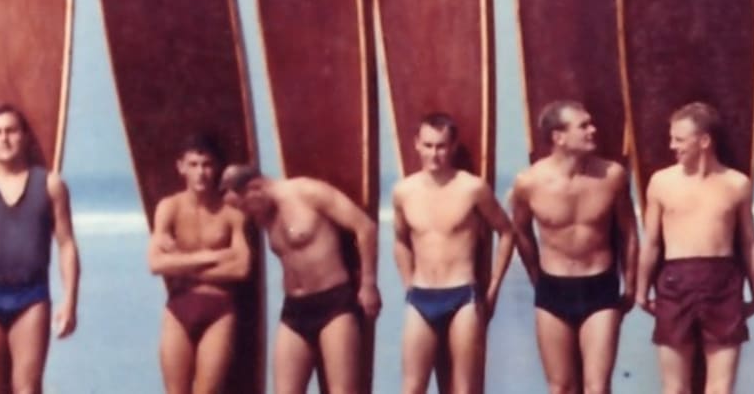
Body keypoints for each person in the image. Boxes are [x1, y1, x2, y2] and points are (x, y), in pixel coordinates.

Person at [492, 101, 639, 394]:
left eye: (591, 123)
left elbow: (629, 233)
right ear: (558, 137)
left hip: (601, 287)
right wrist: (537, 278)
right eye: (583, 126)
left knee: (597, 387)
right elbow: (520, 232)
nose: (592, 130)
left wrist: (631, 285)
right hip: (553, 289)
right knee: (560, 387)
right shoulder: (529, 182)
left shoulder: (612, 177)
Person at [0, 105, 84, 394]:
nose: (4, 138)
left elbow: (67, 243)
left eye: (11, 131)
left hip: (31, 297)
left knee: (27, 388)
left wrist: (70, 300)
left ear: (25, 137)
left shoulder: (50, 185)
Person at [393, 113, 527, 394]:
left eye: (441, 146)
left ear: (452, 147)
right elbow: (401, 240)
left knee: (465, 389)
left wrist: (492, 289)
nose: (434, 154)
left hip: (463, 296)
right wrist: (408, 284)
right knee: (411, 387)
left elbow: (507, 232)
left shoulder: (472, 188)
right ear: (416, 144)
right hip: (421, 296)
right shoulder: (404, 191)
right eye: (428, 145)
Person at [638, 102, 754, 393]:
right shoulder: (661, 182)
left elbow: (749, 243)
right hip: (674, 282)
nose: (672, 146)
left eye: (679, 139)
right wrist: (641, 289)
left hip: (723, 282)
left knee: (720, 389)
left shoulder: (736, 184)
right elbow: (652, 243)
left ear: (704, 141)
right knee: (675, 389)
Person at [223, 164, 383, 394]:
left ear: (255, 187)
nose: (248, 215)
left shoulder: (308, 192)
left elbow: (365, 227)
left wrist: (368, 285)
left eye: (246, 206)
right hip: (294, 309)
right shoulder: (265, 214)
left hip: (334, 303)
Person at [148, 135, 257, 394]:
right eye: (194, 164)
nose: (201, 173)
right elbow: (155, 263)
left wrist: (179, 263)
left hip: (219, 311)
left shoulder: (232, 214)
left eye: (207, 165)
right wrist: (214, 256)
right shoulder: (169, 207)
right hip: (178, 309)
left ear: (217, 167)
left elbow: (242, 268)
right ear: (181, 167)